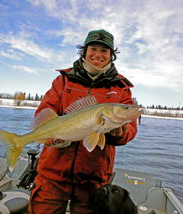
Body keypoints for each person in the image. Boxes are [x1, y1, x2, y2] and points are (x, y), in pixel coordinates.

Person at [28, 29, 138, 214]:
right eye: (93, 48)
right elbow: (44, 114)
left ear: (111, 55)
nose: (98, 54)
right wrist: (51, 136)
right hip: (52, 174)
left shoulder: (121, 89)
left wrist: (121, 132)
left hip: (93, 179)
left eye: (104, 50)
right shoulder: (63, 81)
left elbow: (129, 132)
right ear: (84, 51)